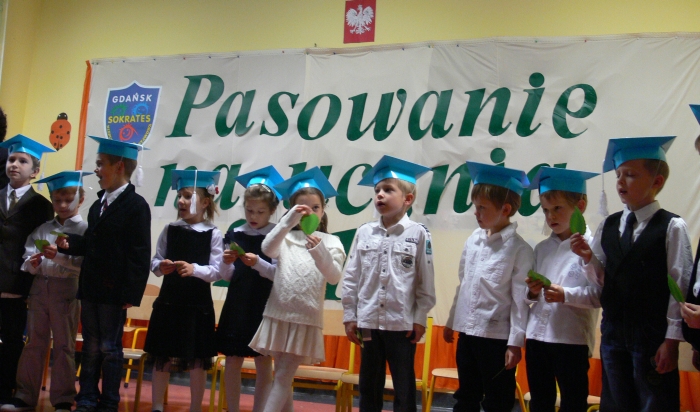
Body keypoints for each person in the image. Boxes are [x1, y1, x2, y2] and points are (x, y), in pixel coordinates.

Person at [570, 136, 693, 411]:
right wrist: (588, 258)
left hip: (651, 336)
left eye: (631, 175)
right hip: (614, 333)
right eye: (618, 175)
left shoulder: (671, 226)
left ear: (657, 181)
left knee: (654, 402)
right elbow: (604, 281)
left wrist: (671, 341)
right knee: (615, 402)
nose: (621, 182)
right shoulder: (609, 225)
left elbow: (680, 287)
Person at [56, 136, 151, 412]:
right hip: (91, 287)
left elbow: (139, 254)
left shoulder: (136, 206)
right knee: (90, 346)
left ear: (118, 166)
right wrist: (70, 244)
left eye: (100, 164)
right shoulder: (99, 204)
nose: (96, 170)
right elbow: (92, 244)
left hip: (114, 291)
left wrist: (131, 293)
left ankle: (109, 400)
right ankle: (86, 397)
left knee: (109, 348)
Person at [342, 155, 436, 412]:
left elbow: (425, 281)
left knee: (403, 387)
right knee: (368, 384)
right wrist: (350, 315)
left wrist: (420, 317)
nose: (380, 195)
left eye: (388, 190)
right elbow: (351, 277)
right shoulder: (364, 232)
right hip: (369, 321)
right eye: (377, 191)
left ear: (408, 199)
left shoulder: (418, 234)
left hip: (401, 324)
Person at [250, 167, 346, 412]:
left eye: (315, 207)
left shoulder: (332, 242)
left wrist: (319, 251)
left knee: (283, 376)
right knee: (281, 374)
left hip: (305, 318)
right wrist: (287, 222)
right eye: (302, 208)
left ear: (323, 210)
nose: (310, 212)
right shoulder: (285, 236)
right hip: (278, 314)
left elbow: (334, 277)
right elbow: (267, 249)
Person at [444, 161, 533, 412]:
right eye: (475, 206)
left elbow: (520, 300)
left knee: (497, 399)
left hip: (496, 339)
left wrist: (514, 343)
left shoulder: (520, 250)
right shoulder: (473, 240)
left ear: (505, 209)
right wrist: (452, 321)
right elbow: (464, 284)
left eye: (482, 207)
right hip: (467, 334)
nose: (476, 213)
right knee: (466, 395)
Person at [1, 171, 90, 412]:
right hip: (40, 287)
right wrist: (33, 262)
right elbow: (27, 258)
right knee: (34, 343)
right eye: (57, 200)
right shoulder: (43, 228)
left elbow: (85, 265)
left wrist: (58, 257)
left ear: (80, 199)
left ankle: (63, 398)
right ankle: (25, 395)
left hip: (67, 288)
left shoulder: (85, 229)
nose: (62, 205)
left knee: (64, 345)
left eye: (68, 200)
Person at [524, 167, 601, 412]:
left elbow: (599, 295)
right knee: (540, 402)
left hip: (571, 340)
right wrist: (532, 292)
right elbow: (530, 298)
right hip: (537, 338)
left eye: (557, 208)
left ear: (580, 206)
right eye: (545, 210)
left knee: (573, 402)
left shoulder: (593, 246)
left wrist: (565, 295)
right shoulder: (542, 248)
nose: (551, 216)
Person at [145, 169, 222, 412]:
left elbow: (217, 271)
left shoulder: (213, 233)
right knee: (163, 357)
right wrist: (161, 267)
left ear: (205, 202)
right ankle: (157, 405)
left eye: (188, 196)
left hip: (197, 306)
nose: (181, 201)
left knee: (197, 360)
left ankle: (195, 407)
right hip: (169, 302)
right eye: (179, 196)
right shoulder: (170, 229)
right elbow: (155, 260)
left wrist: (194, 269)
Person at [216, 166, 283, 412]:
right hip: (238, 302)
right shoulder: (235, 234)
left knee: (263, 361)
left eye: (260, 212)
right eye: (249, 210)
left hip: (264, 304)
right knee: (232, 359)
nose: (253, 216)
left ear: (272, 210)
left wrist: (258, 264)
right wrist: (226, 262)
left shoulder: (277, 236)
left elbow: (279, 275)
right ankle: (232, 408)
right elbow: (227, 276)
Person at [0, 135, 54, 404]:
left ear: (35, 171)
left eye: (22, 161)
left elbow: (39, 246)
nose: (14, 164)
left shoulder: (41, 206)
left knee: (11, 339)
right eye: (11, 159)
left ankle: (5, 388)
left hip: (16, 282)